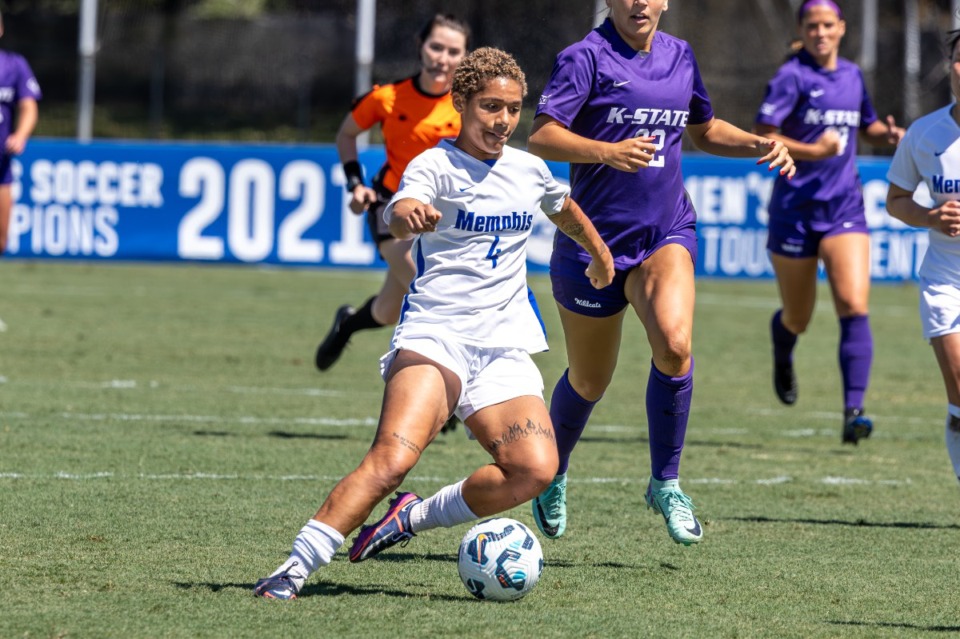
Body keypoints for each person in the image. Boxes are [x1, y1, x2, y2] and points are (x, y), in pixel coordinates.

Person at [253, 47, 615, 600]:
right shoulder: (434, 165)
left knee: (535, 470)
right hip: (437, 335)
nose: (504, 121)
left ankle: (410, 520)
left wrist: (598, 252)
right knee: (392, 460)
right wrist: (406, 217)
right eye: (491, 107)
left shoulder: (528, 168)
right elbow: (399, 211)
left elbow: (561, 205)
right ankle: (293, 568)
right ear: (462, 103)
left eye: (514, 109)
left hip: (503, 347)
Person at [525, 0, 795, 547]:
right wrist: (606, 150)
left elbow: (704, 129)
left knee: (674, 345)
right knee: (588, 380)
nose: (638, 3)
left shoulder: (681, 56)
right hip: (593, 245)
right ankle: (553, 470)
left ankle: (665, 483)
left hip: (664, 233)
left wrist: (759, 144)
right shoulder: (585, 58)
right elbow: (542, 136)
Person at [754, 0, 904, 445]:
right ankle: (783, 349)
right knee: (798, 318)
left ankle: (853, 411)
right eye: (812, 25)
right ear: (803, 29)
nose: (820, 32)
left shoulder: (853, 76)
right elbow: (765, 134)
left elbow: (867, 125)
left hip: (844, 210)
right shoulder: (791, 76)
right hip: (794, 213)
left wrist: (889, 135)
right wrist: (813, 151)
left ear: (841, 29)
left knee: (854, 306)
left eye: (828, 25)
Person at [315, 14, 469, 375]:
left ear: (464, 57)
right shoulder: (387, 98)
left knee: (388, 310)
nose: (442, 58)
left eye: (453, 51)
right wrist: (356, 184)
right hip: (392, 209)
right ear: (421, 46)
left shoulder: (467, 106)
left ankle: (348, 324)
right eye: (436, 47)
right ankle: (444, 391)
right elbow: (346, 135)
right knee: (432, 290)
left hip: (443, 218)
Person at [885, 30, 960, 483]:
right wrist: (932, 217)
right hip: (945, 279)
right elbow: (896, 199)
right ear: (949, 66)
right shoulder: (925, 133)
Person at [0, 10, 40, 257]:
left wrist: (21, 135)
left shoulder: (14, 65)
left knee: (1, 241)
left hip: (1, 166)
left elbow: (28, 106)